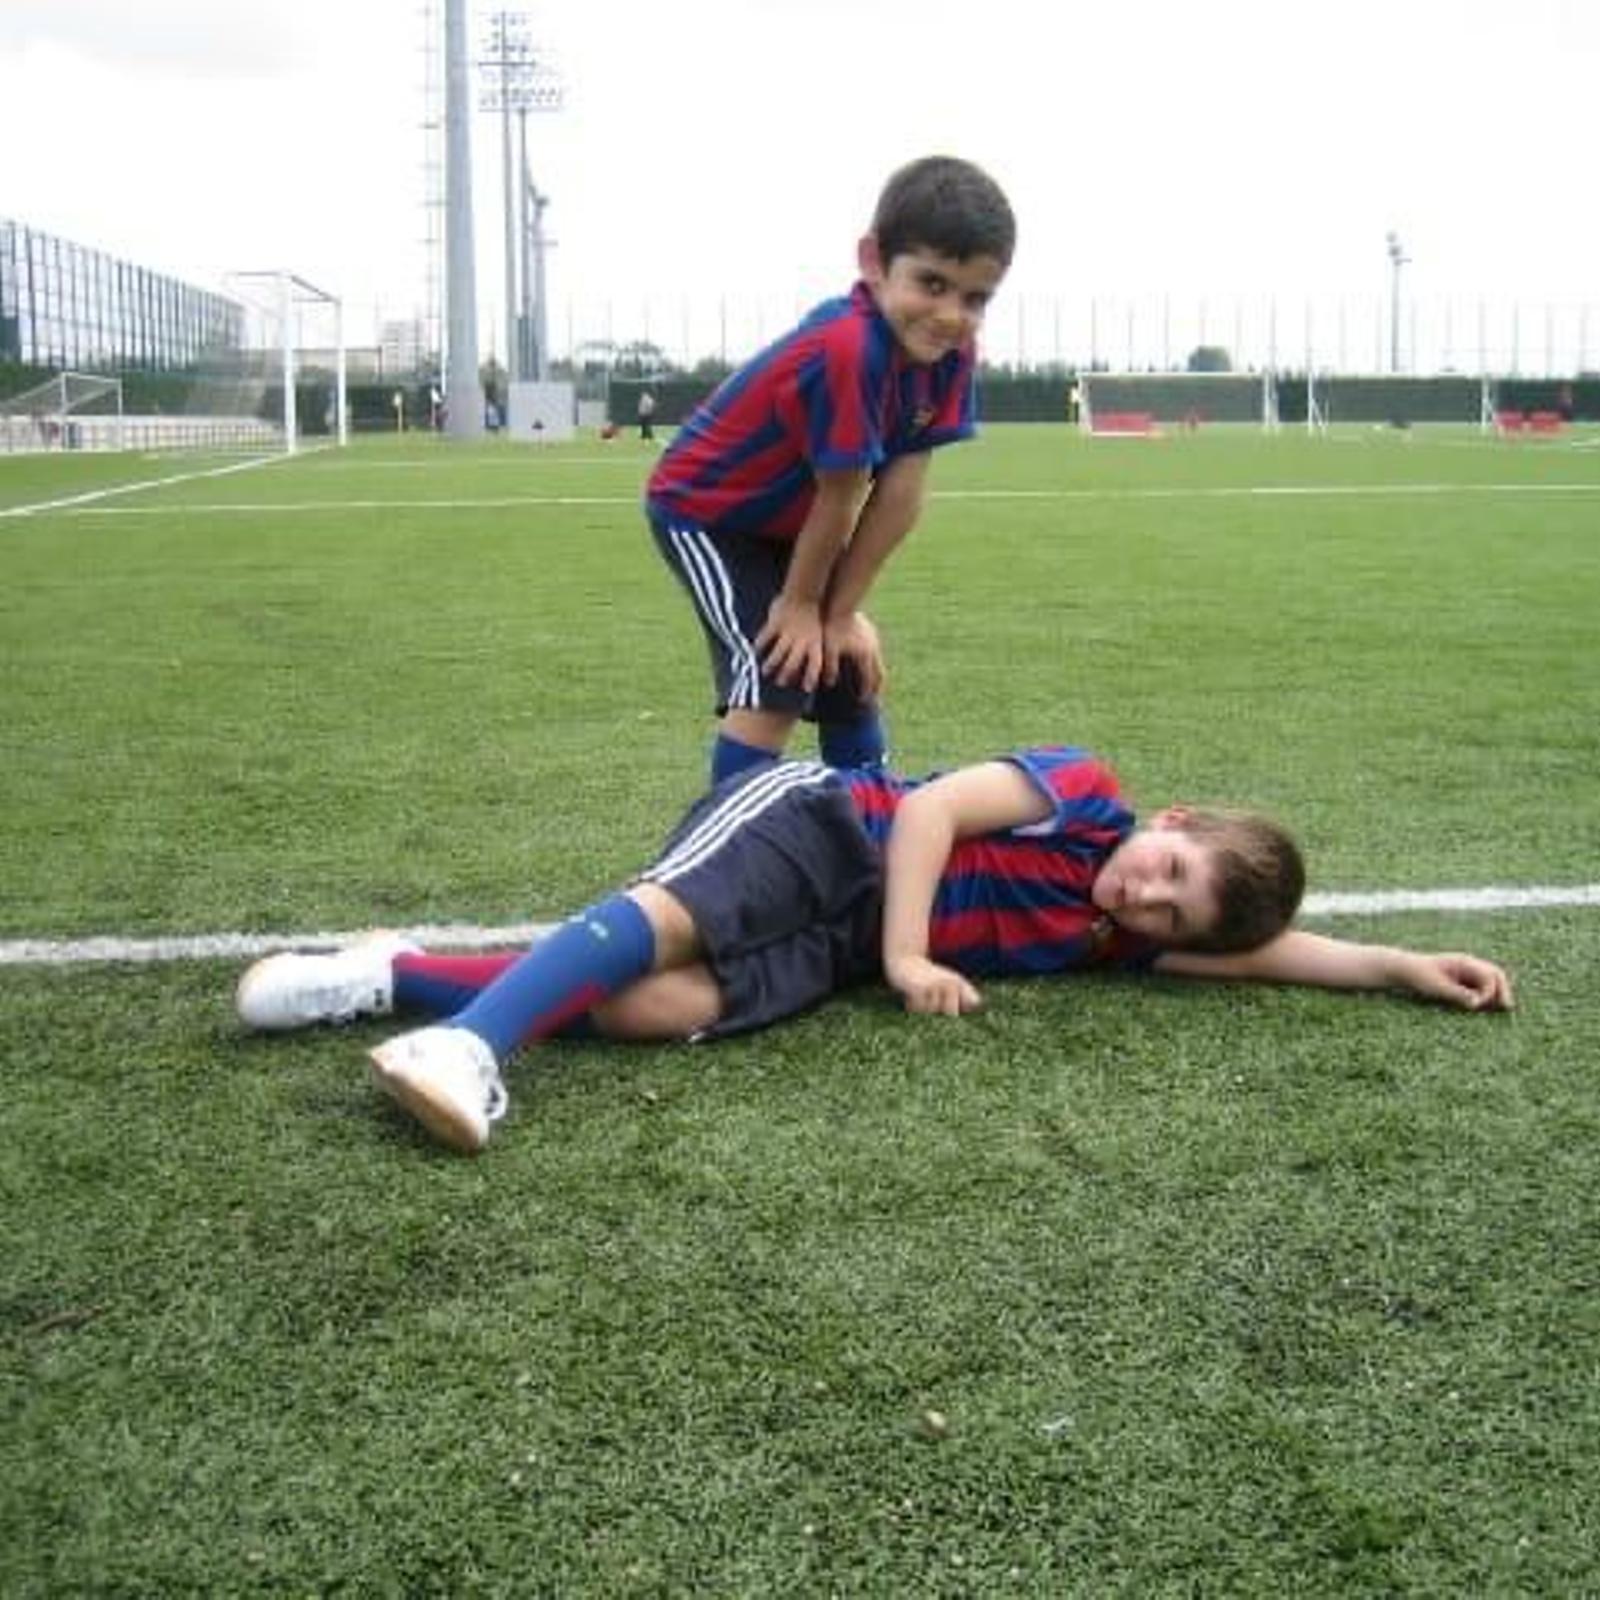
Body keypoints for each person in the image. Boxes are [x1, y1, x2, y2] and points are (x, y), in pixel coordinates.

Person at [235, 747, 1513, 1155]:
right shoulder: (1082, 795)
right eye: (1167, 872)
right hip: (826, 826)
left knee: (649, 1009)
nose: (1147, 899)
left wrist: (1400, 966)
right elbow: (936, 810)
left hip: (840, 950)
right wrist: (907, 956)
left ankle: (385, 974)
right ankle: (467, 1043)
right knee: (674, 916)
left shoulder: (1103, 940)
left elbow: (1266, 955)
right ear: (1168, 822)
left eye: (1169, 916)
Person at [646, 155, 1016, 786]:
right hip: (708, 513)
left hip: (794, 521)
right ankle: (727, 841)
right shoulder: (850, 346)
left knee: (844, 668)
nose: (952, 314)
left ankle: (869, 825)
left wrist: (839, 614)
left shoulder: (952, 355)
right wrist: (802, 605)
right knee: (778, 670)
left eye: (974, 297)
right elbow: (840, 496)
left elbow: (899, 496)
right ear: (874, 262)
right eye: (931, 283)